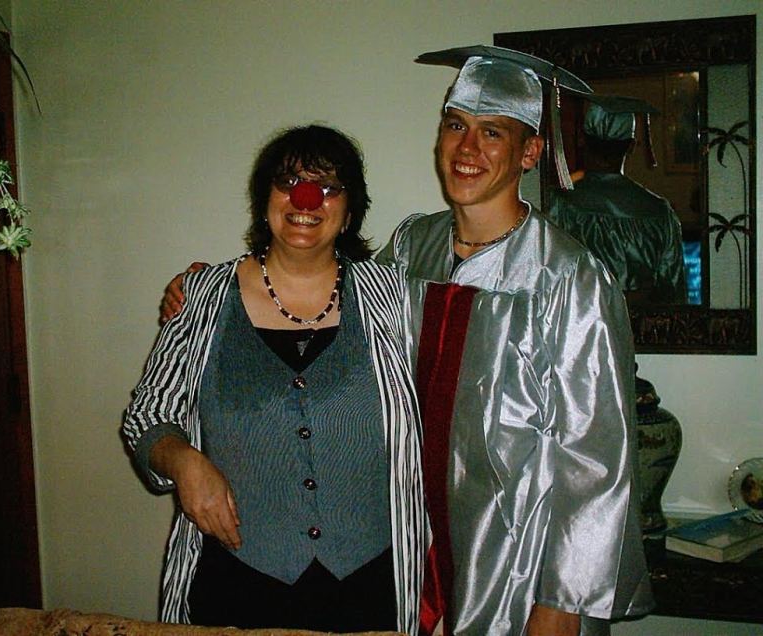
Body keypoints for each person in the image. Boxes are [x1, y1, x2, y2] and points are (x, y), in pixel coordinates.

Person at [161, 47, 653, 636]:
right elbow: (317, 286)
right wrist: (205, 287)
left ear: (530, 153)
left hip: (519, 557)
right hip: (410, 551)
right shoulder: (411, 250)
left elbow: (598, 455)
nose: (467, 148)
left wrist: (562, 600)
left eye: (492, 132)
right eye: (455, 125)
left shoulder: (569, 277)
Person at [123, 125, 424, 634]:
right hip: (237, 585)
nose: (306, 198)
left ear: (350, 211)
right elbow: (148, 414)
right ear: (264, 201)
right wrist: (183, 460)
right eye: (288, 182)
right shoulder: (202, 296)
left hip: (370, 590)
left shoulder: (395, 296)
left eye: (327, 187)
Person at [548, 95, 687, 305]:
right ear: (631, 146)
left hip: (580, 320)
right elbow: (673, 289)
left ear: (583, 140)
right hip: (639, 322)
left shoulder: (560, 204)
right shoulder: (659, 211)